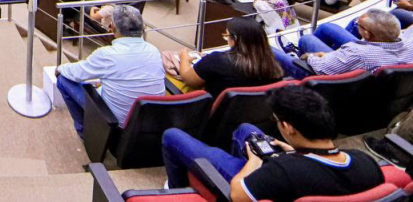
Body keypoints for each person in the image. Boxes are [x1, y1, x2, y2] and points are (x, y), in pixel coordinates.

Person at [161, 85, 383, 200]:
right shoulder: (367, 162)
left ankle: (178, 190)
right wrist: (295, 151)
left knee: (172, 136)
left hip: (252, 183)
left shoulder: (282, 170)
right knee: (247, 130)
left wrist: (254, 162)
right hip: (296, 175)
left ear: (288, 127)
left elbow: (237, 194)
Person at [54, 6, 164, 135]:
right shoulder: (154, 51)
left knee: (63, 79)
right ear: (142, 28)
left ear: (113, 27)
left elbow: (76, 73)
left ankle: (85, 133)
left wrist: (59, 69)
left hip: (116, 125)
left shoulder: (107, 54)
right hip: (150, 125)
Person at [275, 9, 413, 79]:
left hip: (325, 78)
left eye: (358, 24)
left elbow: (320, 67)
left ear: (367, 34)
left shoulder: (356, 52)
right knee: (326, 28)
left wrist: (312, 56)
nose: (356, 23)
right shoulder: (408, 44)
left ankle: (296, 61)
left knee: (305, 40)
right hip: (365, 58)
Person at [173, 17, 283, 99]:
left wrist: (184, 57)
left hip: (215, 116)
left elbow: (189, 79)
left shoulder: (217, 60)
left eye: (227, 36)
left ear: (235, 39)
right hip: (253, 117)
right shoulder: (273, 64)